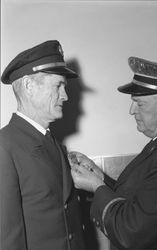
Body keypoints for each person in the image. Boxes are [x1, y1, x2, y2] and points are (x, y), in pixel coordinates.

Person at [68, 57, 157, 250]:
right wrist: (99, 176)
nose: (132, 110)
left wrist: (97, 187)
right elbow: (142, 199)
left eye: (140, 104)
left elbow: (132, 231)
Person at [0, 40, 86, 250]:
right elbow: (9, 239)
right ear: (29, 86)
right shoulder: (5, 147)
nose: (65, 96)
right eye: (58, 86)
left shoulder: (54, 144)